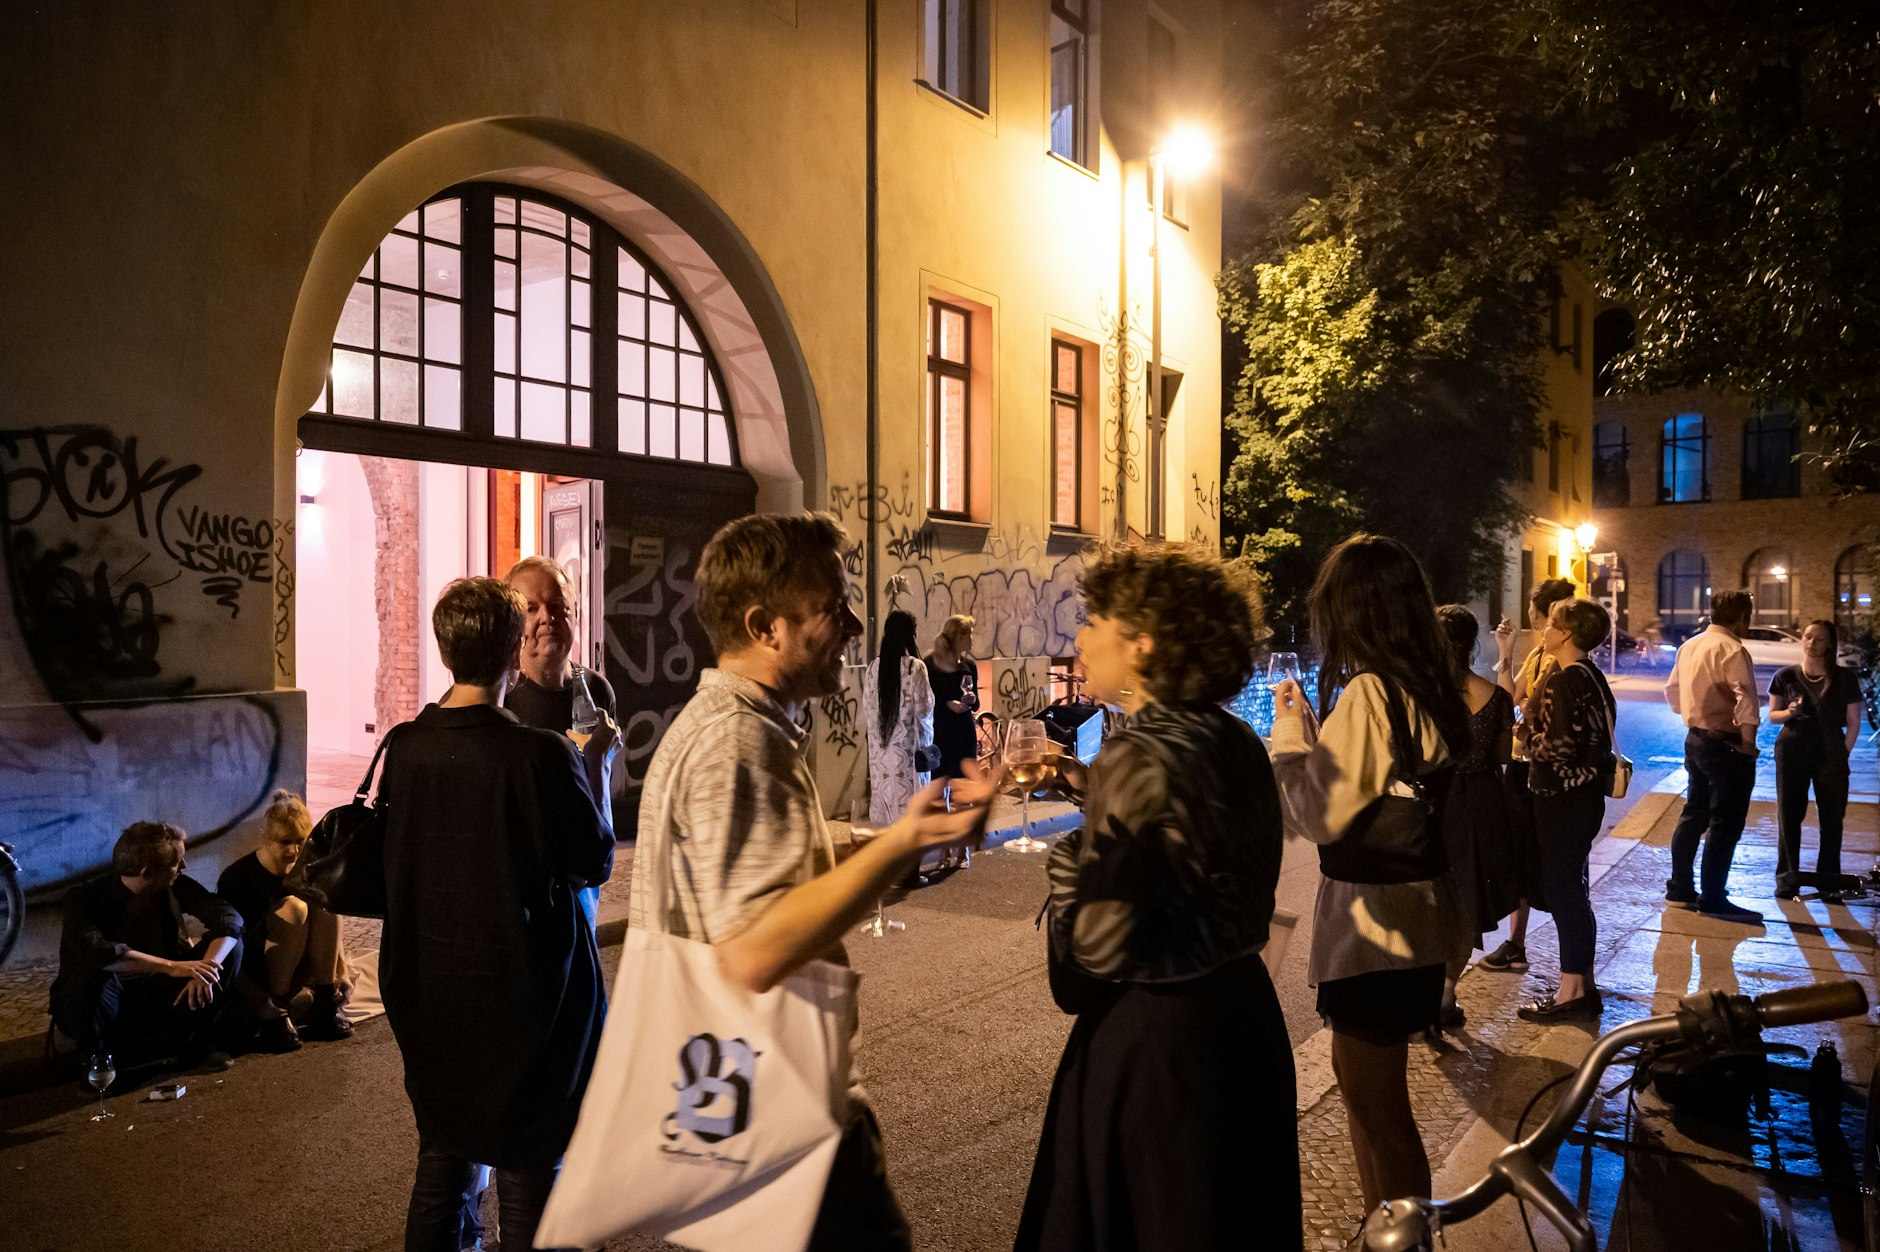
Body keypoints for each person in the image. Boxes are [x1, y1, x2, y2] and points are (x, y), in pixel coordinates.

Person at [629, 513, 999, 1251]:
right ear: (765, 626)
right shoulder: (737, 743)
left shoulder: (735, 728)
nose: (856, 624)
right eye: (833, 606)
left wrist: (882, 838)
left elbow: (768, 858)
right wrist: (900, 846)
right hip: (779, 1121)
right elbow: (753, 950)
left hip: (745, 1115)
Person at [1015, 543, 1300, 1252]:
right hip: (1241, 1030)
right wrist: (1088, 787)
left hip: (1160, 1055)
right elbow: (1196, 848)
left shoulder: (1136, 752)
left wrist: (1068, 859)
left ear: (1141, 644)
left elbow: (1089, 960)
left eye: (1095, 621)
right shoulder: (1234, 737)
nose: (1081, 638)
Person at [379, 576, 615, 1252]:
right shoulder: (539, 755)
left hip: (429, 991)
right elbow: (592, 858)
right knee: (528, 1170)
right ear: (513, 652)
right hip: (524, 997)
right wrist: (589, 769)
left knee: (444, 1158)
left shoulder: (406, 747)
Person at [1272, 534, 1475, 1216]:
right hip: (1415, 920)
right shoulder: (1426, 685)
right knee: (1367, 1095)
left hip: (1375, 930)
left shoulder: (1369, 694)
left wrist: (1290, 732)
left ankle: (1400, 1234)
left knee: (1379, 1108)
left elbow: (1315, 814)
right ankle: (1380, 1230)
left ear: (1355, 612)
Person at [49, 821, 243, 1074]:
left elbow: (228, 918)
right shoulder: (84, 898)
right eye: (177, 863)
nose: (183, 867)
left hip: (158, 996)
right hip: (113, 1003)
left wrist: (205, 970)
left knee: (232, 946)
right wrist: (173, 967)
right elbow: (96, 951)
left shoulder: (174, 886)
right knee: (94, 971)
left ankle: (199, 1043)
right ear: (147, 872)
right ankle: (100, 1062)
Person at [503, 554, 621, 926]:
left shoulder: (597, 691)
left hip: (580, 875)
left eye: (558, 607)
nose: (545, 618)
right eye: (531, 608)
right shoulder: (498, 694)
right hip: (519, 881)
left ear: (575, 615)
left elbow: (603, 789)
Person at [1517, 598, 1616, 1024]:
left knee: (1565, 894)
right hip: (1584, 799)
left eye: (1553, 623)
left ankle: (1570, 990)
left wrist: (1526, 742)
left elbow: (1558, 750)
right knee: (1575, 890)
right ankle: (1582, 985)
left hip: (1561, 799)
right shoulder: (1590, 675)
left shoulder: (1564, 680)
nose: (1545, 629)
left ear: (1567, 634)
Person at [1481, 577, 1578, 974]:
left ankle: (1574, 969)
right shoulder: (1540, 652)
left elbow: (1521, 704)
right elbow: (1509, 698)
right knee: (1519, 858)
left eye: (1539, 613)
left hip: (1543, 772)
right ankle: (1516, 944)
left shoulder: (1564, 661)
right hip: (1523, 769)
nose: (1536, 619)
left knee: (1558, 869)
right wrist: (1506, 652)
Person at [1432, 605, 1517, 1033]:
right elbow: (1504, 755)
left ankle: (1424, 992)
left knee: (1430, 897)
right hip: (1483, 802)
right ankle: (1447, 993)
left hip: (1436, 801)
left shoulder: (1422, 695)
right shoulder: (1496, 698)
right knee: (1467, 901)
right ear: (1471, 644)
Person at [217, 790, 352, 1052]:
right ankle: (277, 1018)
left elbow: (329, 923)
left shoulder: (307, 867)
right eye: (285, 842)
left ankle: (325, 1005)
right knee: (294, 907)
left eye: (300, 841)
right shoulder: (239, 878)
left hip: (299, 966)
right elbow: (229, 947)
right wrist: (256, 999)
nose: (294, 851)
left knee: (323, 900)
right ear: (267, 838)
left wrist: (341, 972)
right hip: (259, 974)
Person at [1663, 589, 1763, 923]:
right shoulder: (1733, 649)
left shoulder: (1690, 645)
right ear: (1741, 616)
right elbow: (1746, 697)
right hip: (1725, 743)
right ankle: (1713, 896)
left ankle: (1679, 889)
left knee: (1694, 813)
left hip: (1695, 739)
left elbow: (1672, 691)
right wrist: (1747, 743)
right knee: (1726, 822)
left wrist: (1691, 712)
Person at [1769, 619, 1862, 900]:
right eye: (1808, 637)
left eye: (1819, 639)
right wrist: (1789, 713)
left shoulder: (1845, 678)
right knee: (1788, 815)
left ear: (1830, 644)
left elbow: (1853, 721)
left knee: (1832, 817)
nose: (1812, 643)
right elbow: (1773, 715)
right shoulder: (1785, 676)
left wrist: (1842, 752)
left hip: (1830, 752)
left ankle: (1829, 879)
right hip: (1792, 751)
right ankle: (1788, 879)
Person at [863, 609, 949, 859]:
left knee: (884, 806)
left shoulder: (872, 668)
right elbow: (925, 708)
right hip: (909, 758)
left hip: (880, 757)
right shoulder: (915, 667)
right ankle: (909, 867)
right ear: (910, 636)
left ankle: (887, 861)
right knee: (910, 807)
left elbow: (868, 709)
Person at [925, 614, 980, 782]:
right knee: (940, 784)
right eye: (969, 634)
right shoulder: (930, 664)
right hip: (942, 732)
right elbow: (925, 702)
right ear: (959, 637)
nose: (972, 639)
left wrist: (972, 699)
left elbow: (976, 704)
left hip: (964, 732)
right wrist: (948, 704)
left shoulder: (969, 665)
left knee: (965, 784)